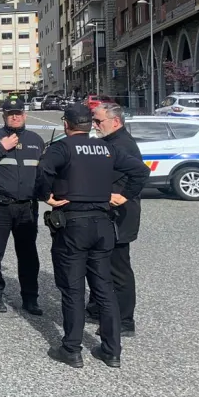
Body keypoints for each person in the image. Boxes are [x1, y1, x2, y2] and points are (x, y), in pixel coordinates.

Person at [35, 104, 149, 369]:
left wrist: (46, 196)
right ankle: (112, 351)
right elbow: (141, 171)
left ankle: (72, 349)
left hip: (74, 225)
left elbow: (42, 172)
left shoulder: (62, 148)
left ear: (67, 124)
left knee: (73, 289)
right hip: (103, 224)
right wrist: (125, 196)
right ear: (89, 125)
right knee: (104, 288)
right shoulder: (107, 148)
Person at [0, 95, 45, 315]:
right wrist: (1, 148)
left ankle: (30, 298)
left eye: (19, 113)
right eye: (11, 114)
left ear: (25, 114)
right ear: (4, 116)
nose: (15, 117)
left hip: (26, 207)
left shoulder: (36, 140)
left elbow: (44, 173)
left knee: (28, 255)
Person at [85, 102, 142, 336]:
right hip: (105, 216)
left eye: (99, 121)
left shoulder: (122, 145)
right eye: (94, 121)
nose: (95, 125)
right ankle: (99, 307)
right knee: (100, 264)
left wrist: (124, 196)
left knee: (118, 268)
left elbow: (136, 175)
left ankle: (125, 320)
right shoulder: (108, 142)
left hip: (119, 217)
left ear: (115, 122)